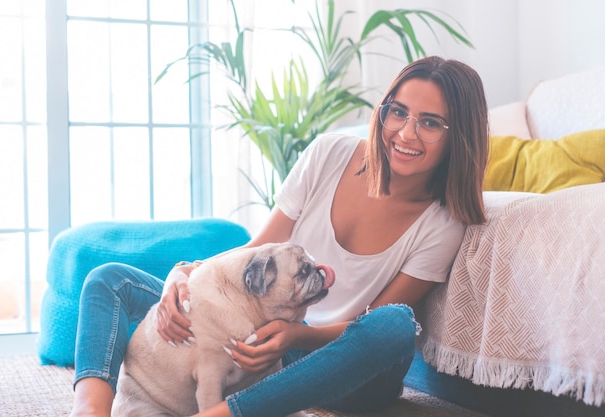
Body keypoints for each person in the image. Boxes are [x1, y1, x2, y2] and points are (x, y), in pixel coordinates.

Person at [70, 55, 489, 417]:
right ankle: (90, 409)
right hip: (266, 329)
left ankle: (223, 412)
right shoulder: (330, 153)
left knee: (395, 324)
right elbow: (257, 251)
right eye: (397, 112)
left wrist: (297, 335)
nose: (405, 133)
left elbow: (368, 324)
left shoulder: (443, 221)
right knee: (110, 280)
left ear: (460, 137)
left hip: (338, 365)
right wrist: (186, 273)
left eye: (430, 123)